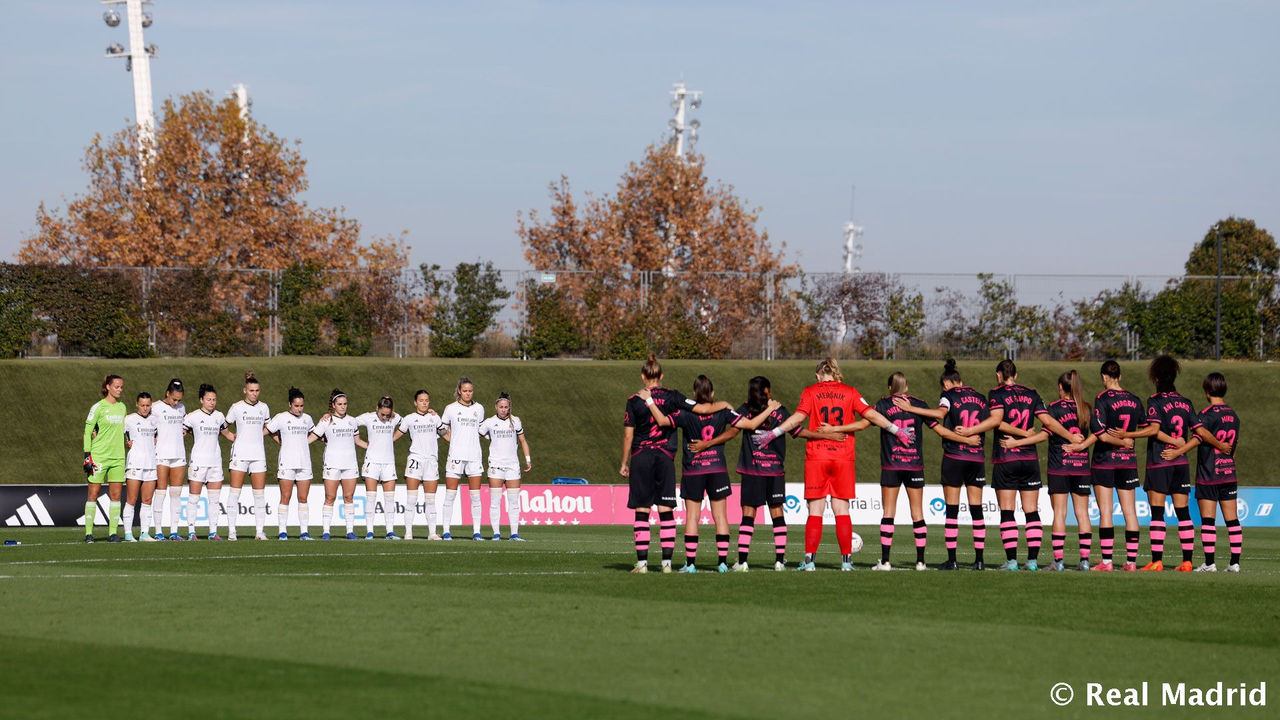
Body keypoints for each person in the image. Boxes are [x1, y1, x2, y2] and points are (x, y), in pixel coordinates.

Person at [756, 358, 914, 571]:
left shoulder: (811, 391)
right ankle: (846, 562)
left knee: (815, 510)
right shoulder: (850, 392)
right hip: (843, 457)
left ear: (818, 376)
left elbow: (796, 419)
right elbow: (871, 416)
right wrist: (897, 430)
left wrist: (773, 433)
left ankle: (810, 562)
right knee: (842, 510)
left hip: (817, 456)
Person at [620, 354, 733, 573]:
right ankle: (667, 564)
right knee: (666, 508)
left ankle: (642, 564)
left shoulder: (634, 400)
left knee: (642, 509)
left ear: (643, 376)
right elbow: (702, 408)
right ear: (661, 375)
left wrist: (624, 462)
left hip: (642, 455)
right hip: (665, 456)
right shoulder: (673, 396)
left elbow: (628, 436)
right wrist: (724, 404)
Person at [980, 360, 1081, 572]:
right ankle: (1033, 561)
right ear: (1016, 375)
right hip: (1029, 460)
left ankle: (1012, 562)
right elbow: (1049, 423)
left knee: (1007, 511)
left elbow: (997, 421)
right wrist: (1071, 436)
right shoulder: (1032, 394)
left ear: (999, 375)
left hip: (1006, 456)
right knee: (1031, 511)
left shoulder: (996, 393)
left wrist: (1018, 434)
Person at [894, 360, 989, 570]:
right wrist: (973, 435)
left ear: (946, 383)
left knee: (953, 510)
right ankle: (980, 560)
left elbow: (940, 414)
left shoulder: (948, 396)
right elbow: (992, 421)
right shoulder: (981, 398)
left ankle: (952, 560)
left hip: (955, 456)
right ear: (961, 381)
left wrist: (912, 409)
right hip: (976, 457)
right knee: (977, 510)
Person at [1107, 356, 1199, 571]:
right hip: (1181, 463)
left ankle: (1157, 561)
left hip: (1160, 462)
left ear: (1156, 378)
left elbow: (1154, 430)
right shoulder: (1186, 402)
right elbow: (1199, 433)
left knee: (1157, 512)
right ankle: (1187, 562)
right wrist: (1181, 449)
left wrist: (1127, 433)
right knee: (1183, 512)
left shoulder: (1155, 401)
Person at [1002, 370, 1095, 571]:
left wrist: (1017, 442)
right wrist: (1082, 445)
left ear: (1061, 388)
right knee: (1082, 514)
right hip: (1081, 467)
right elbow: (1099, 433)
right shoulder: (1086, 409)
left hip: (1059, 466)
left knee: (1059, 514)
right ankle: (1085, 561)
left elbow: (1043, 436)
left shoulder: (1054, 408)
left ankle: (1058, 562)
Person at [1160, 373, 1240, 572]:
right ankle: (1235, 563)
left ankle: (1210, 563)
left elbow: (1197, 439)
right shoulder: (1234, 415)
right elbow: (1233, 448)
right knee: (1233, 520)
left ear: (1206, 390)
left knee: (1208, 520)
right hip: (1228, 472)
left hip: (1209, 473)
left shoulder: (1206, 414)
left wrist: (1177, 451)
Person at [856, 372, 936, 571]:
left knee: (888, 513)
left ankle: (885, 561)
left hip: (892, 465)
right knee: (917, 513)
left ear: (890, 388)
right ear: (906, 388)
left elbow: (865, 421)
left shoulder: (882, 405)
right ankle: (920, 562)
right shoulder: (919, 404)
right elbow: (938, 427)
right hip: (914, 465)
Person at [1086, 360, 1145, 571]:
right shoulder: (1135, 399)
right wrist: (1129, 439)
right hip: (1128, 461)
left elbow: (1100, 434)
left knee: (1106, 512)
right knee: (1130, 512)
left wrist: (1120, 440)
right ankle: (1131, 562)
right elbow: (1147, 428)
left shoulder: (1102, 399)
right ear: (1120, 376)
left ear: (1104, 377)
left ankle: (1107, 562)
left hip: (1105, 461)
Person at [309, 389, 367, 540]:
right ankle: (326, 531)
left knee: (348, 497)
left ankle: (350, 531)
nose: (343, 407)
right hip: (332, 463)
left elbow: (358, 441)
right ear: (333, 405)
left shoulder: (352, 421)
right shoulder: (326, 421)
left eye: (345, 404)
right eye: (339, 404)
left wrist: (372, 447)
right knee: (330, 496)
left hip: (350, 464)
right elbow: (313, 437)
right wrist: (298, 444)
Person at [478, 392, 532, 541]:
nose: (503, 409)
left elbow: (523, 441)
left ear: (509, 408)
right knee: (495, 501)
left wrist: (527, 459)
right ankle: (496, 534)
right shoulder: (489, 422)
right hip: (495, 466)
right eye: (501, 407)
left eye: (506, 407)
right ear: (496, 407)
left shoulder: (516, 421)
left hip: (512, 466)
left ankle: (514, 534)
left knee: (514, 502)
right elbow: (476, 437)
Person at [183, 384, 235, 541]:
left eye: (214, 399)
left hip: (215, 462)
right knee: (194, 498)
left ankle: (213, 532)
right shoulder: (192, 417)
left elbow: (228, 434)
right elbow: (182, 432)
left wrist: (244, 436)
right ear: (201, 400)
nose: (212, 402)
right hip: (198, 461)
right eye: (208, 399)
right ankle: (191, 532)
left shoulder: (219, 416)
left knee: (214, 499)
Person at [225, 372, 272, 541]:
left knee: (259, 494)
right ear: (245, 390)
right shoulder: (236, 407)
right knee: (234, 493)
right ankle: (231, 532)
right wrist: (230, 436)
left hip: (258, 455)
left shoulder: (264, 407)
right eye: (251, 390)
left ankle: (259, 532)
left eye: (257, 390)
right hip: (240, 454)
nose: (255, 393)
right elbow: (224, 425)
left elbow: (269, 426)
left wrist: (260, 434)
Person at [266, 387, 317, 540]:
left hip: (304, 463)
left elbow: (315, 433)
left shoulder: (307, 419)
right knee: (285, 496)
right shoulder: (281, 418)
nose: (299, 409)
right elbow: (269, 431)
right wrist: (280, 442)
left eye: (301, 406)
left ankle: (304, 532)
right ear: (290, 404)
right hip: (286, 462)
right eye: (296, 406)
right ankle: (282, 532)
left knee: (303, 498)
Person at [439, 378, 487, 541]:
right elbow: (441, 430)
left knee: (475, 496)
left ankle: (477, 532)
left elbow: (481, 430)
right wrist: (453, 442)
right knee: (450, 494)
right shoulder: (451, 408)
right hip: (456, 456)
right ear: (459, 391)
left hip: (474, 456)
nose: (468, 393)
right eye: (465, 390)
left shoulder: (479, 408)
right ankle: (446, 531)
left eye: (470, 390)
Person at [83, 374, 127, 542]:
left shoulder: (122, 407)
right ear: (108, 387)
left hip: (118, 458)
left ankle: (113, 533)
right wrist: (87, 455)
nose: (120, 389)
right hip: (99, 456)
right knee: (93, 494)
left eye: (121, 387)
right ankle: (89, 533)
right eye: (116, 386)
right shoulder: (98, 407)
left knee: (116, 495)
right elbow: (88, 432)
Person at [396, 390, 443, 540]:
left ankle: (432, 533)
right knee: (411, 499)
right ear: (415, 402)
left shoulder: (434, 418)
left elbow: (445, 433)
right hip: (415, 460)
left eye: (426, 400)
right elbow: (396, 435)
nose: (424, 403)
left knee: (430, 499)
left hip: (431, 460)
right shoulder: (409, 419)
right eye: (421, 400)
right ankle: (408, 533)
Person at [356, 396, 403, 539]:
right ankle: (370, 532)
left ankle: (390, 531)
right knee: (371, 498)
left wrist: (393, 438)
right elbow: (349, 423)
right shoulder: (368, 417)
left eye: (387, 415)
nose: (384, 417)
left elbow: (409, 422)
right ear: (377, 408)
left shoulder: (395, 418)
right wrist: (362, 443)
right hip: (372, 463)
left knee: (389, 499)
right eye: (382, 414)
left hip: (388, 463)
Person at [122, 392, 160, 542]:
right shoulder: (129, 419)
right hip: (134, 464)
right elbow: (123, 437)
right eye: (142, 405)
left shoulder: (155, 420)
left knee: (147, 499)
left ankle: (144, 533)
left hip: (151, 464)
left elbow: (156, 438)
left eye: (148, 405)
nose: (145, 408)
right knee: (131, 499)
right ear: (137, 404)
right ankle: (128, 534)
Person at [153, 378, 187, 541]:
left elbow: (183, 427)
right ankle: (158, 531)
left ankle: (174, 531)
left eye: (179, 400)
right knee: (160, 492)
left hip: (178, 455)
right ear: (167, 393)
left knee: (176, 493)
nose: (176, 403)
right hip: (161, 455)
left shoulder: (182, 408)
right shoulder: (156, 408)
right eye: (174, 399)